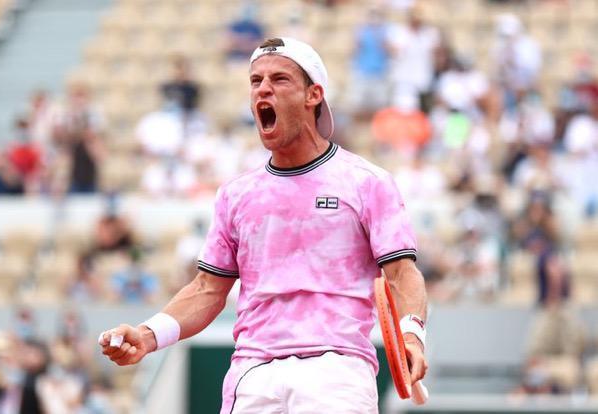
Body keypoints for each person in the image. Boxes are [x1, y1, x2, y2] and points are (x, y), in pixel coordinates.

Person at [99, 37, 428, 413]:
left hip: (337, 370)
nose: (263, 89)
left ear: (313, 95)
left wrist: (412, 334)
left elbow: (402, 274)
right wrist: (147, 334)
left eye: (280, 79)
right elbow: (207, 289)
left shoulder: (368, 182)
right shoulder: (236, 195)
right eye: (256, 81)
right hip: (252, 372)